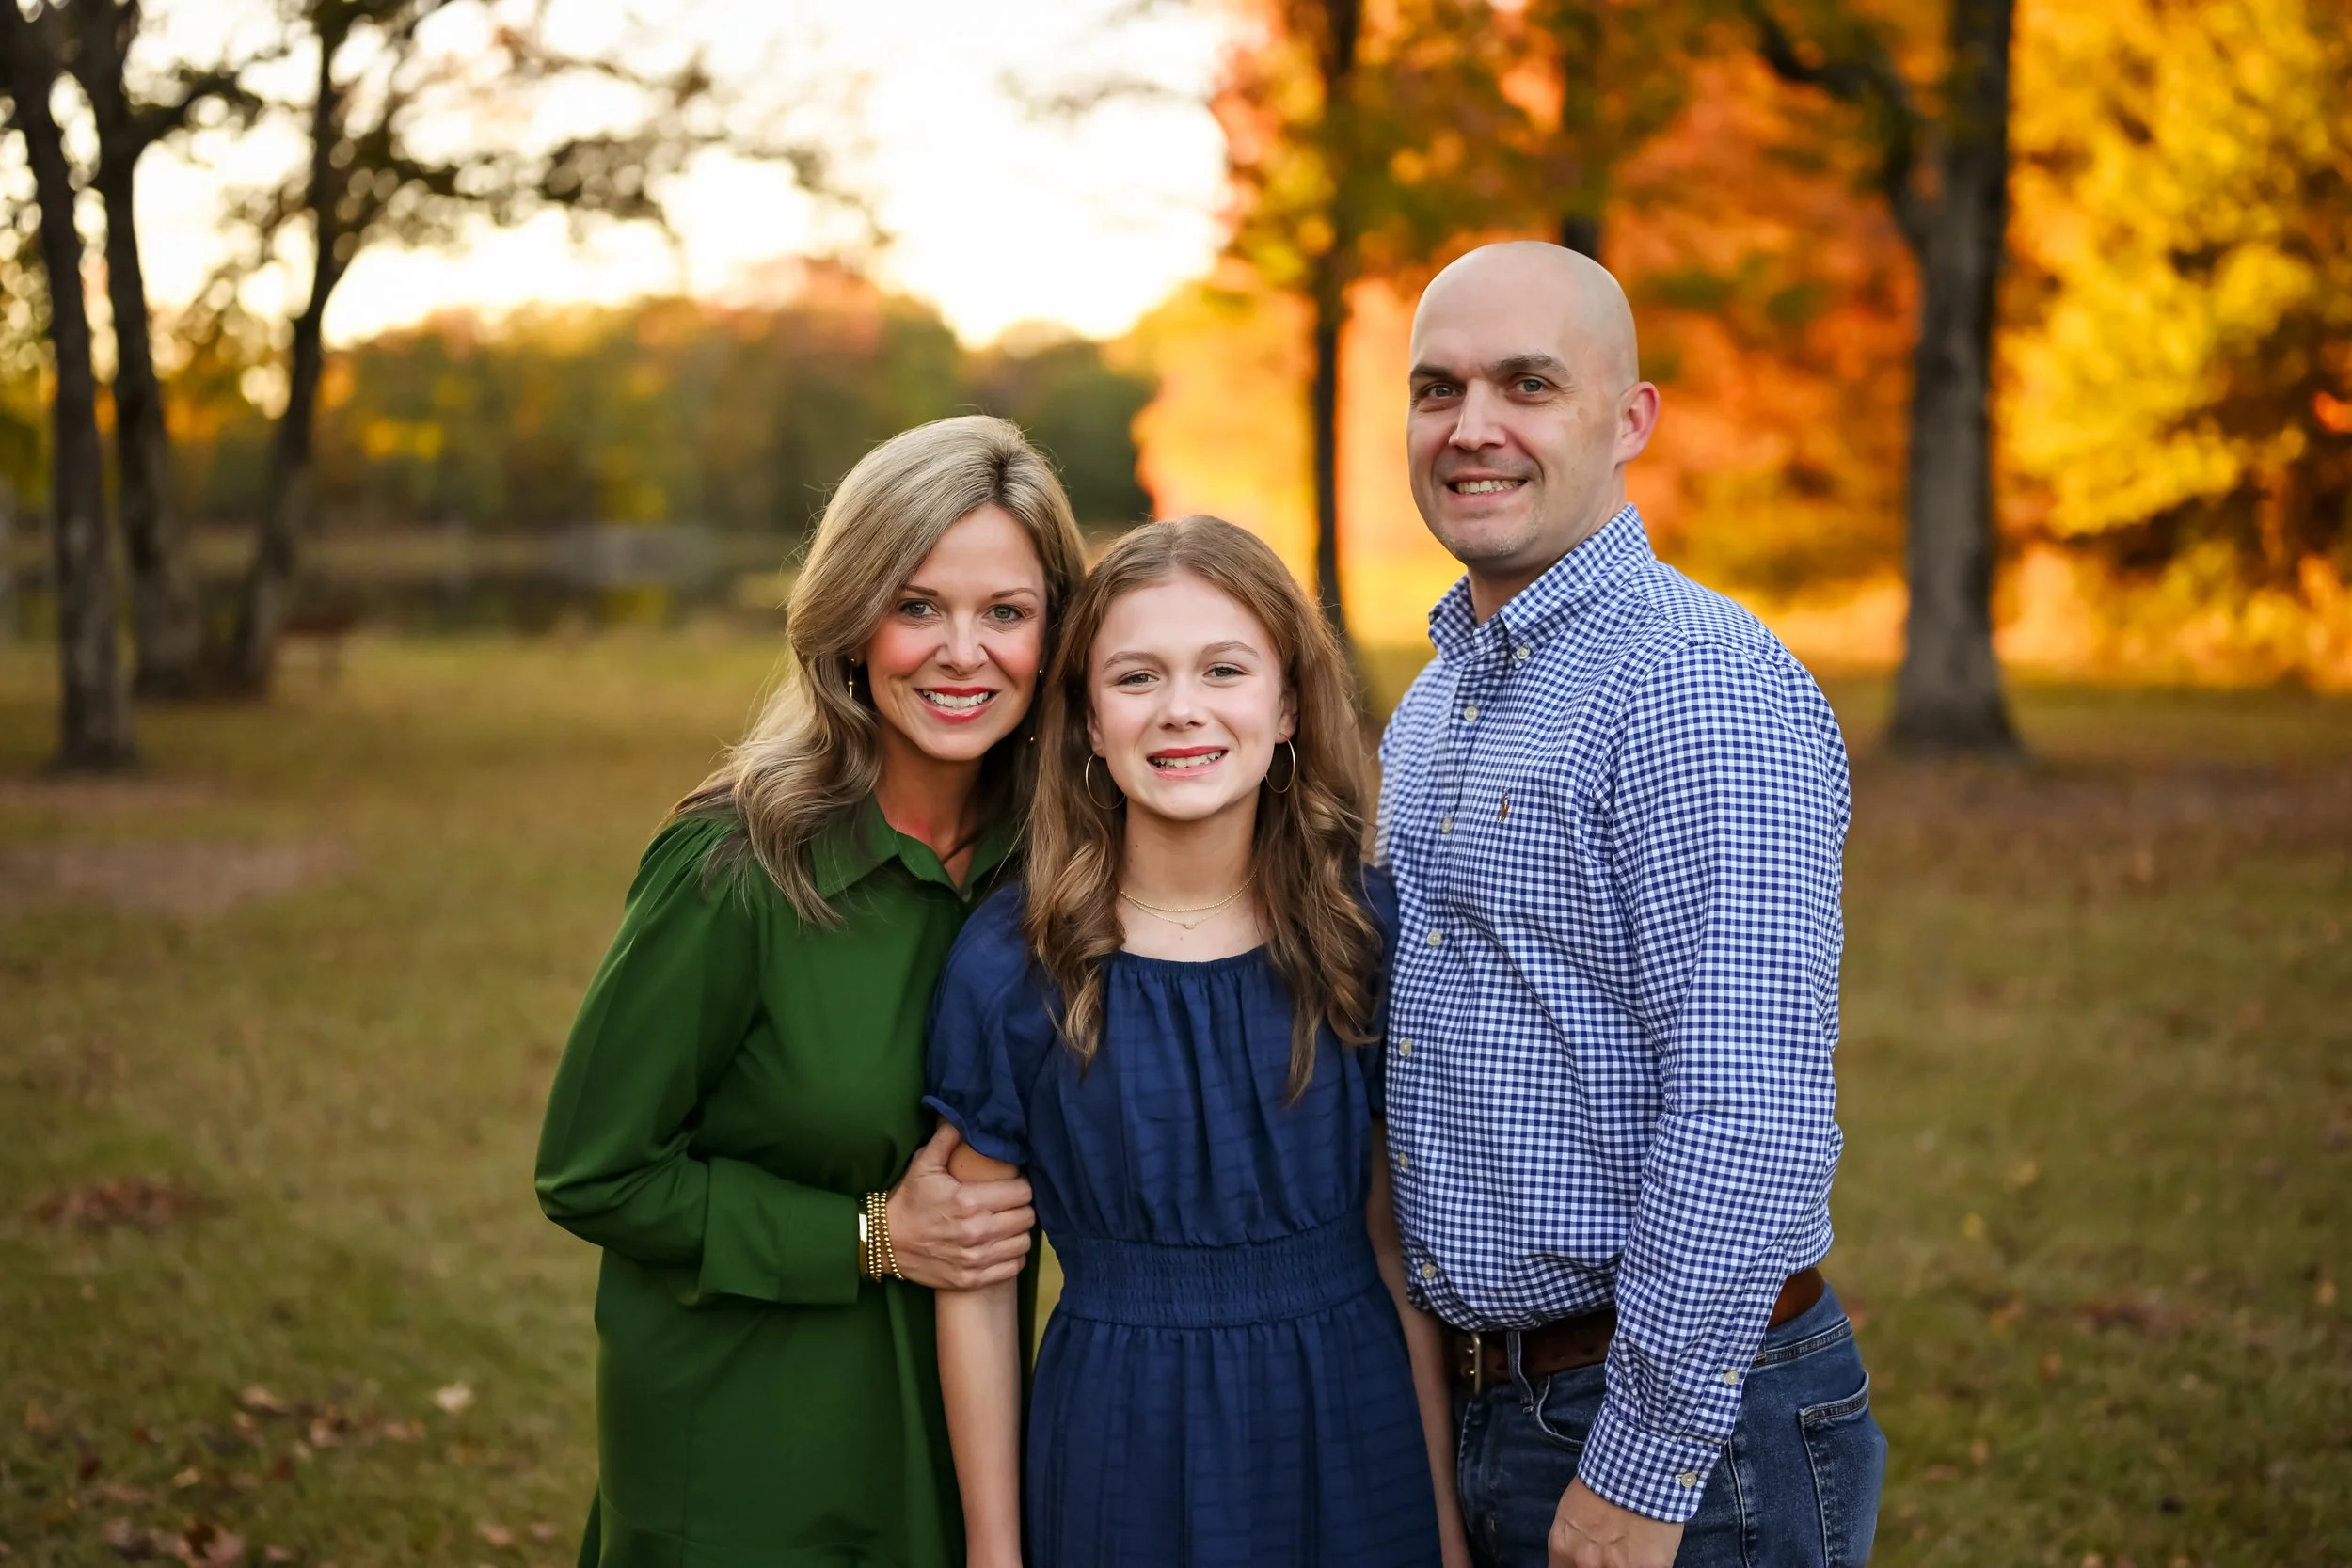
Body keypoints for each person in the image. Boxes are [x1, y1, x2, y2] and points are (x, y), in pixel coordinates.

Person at [1376, 241, 1886, 1568]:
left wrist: (1641, 1468)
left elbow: (1748, 1109)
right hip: (1488, 1398)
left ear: (1630, 417)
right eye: (1437, 389)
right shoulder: (1436, 702)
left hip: (1676, 1420)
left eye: (1527, 384)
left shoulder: (1693, 683)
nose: (1471, 427)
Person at [533, 415, 1089, 1568]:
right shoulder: (733, 866)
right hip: (746, 1448)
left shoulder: (1055, 879)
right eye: (917, 605)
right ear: (850, 620)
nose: (962, 652)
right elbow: (594, 1170)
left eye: (1005, 611)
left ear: (1054, 637)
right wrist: (871, 1234)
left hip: (964, 1446)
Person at [926, 516, 1457, 1568]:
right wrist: (993, 1550)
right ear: (1087, 719)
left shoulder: (1360, 934)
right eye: (1137, 677)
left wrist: (1442, 1524)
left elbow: (1397, 1250)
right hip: (1122, 1435)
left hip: (1352, 1424)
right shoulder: (1018, 961)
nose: (1181, 709)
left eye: (1224, 668)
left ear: (1288, 703)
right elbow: (976, 1281)